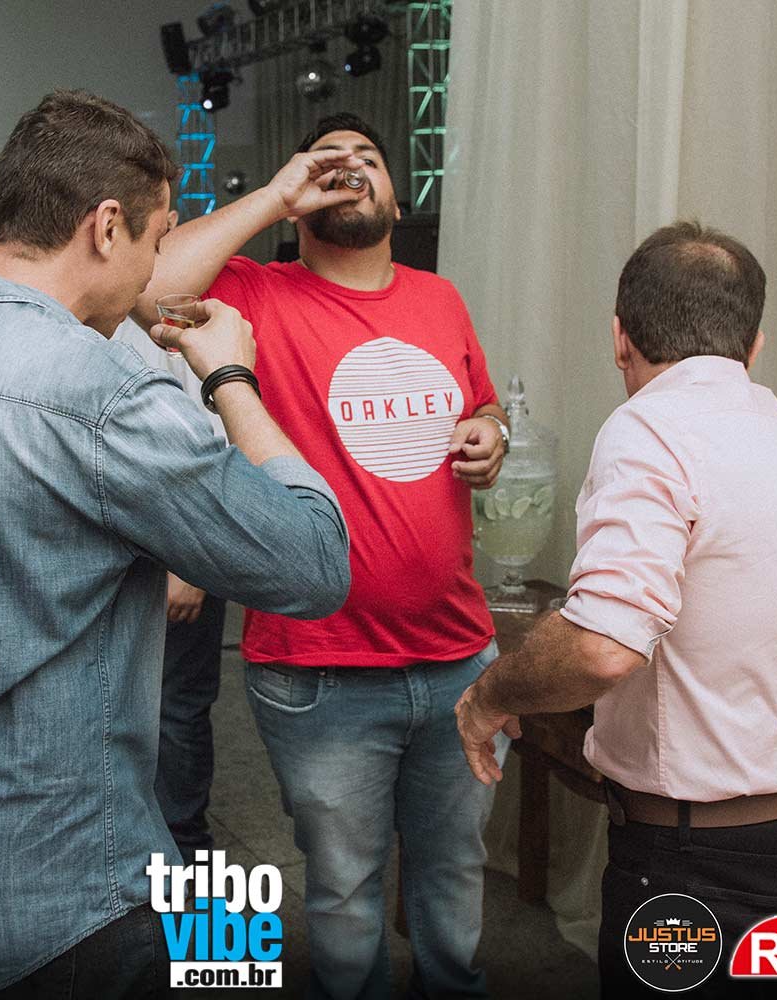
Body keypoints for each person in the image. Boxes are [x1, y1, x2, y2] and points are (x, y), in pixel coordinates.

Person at [0, 89, 351, 1000]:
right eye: (159, 240)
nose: (158, 266)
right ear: (107, 226)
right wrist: (232, 377)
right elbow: (313, 564)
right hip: (68, 897)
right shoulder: (105, 389)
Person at [135, 112, 510, 999]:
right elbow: (149, 288)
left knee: (455, 878)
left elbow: (485, 404)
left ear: (396, 196)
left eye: (367, 159)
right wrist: (275, 194)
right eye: (326, 161)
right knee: (344, 895)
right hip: (321, 671)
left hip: (459, 658)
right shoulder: (258, 295)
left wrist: (491, 433)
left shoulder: (440, 298)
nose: (348, 170)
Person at [455, 222, 777, 998]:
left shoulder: (650, 428)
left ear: (620, 339)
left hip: (696, 862)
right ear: (753, 346)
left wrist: (489, 695)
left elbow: (602, 646)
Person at [113, 319, 228, 862]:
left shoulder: (173, 320)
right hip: (104, 547)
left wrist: (191, 567)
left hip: (177, 550)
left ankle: (186, 862)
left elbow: (213, 448)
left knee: (176, 711)